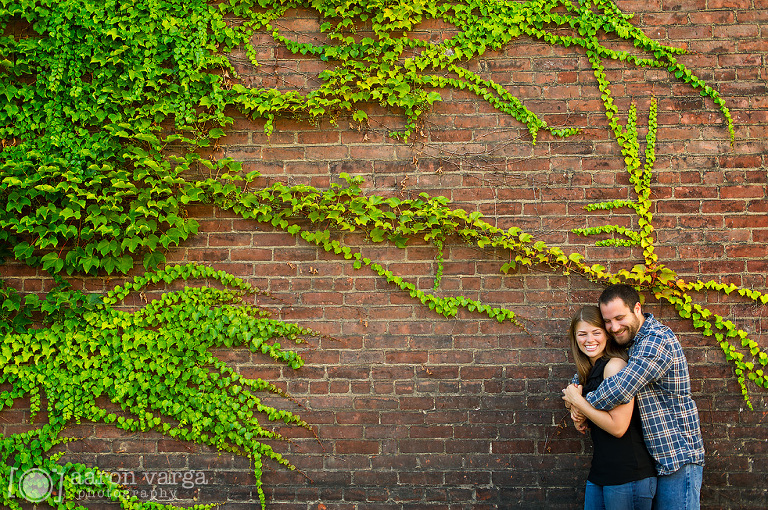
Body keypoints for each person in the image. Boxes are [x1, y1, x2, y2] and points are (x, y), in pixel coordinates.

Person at [565, 284, 704, 510]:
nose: (613, 327)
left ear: (637, 308)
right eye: (608, 321)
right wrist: (574, 394)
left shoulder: (656, 341)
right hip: (650, 458)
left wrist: (579, 403)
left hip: (675, 456)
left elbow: (620, 388)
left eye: (619, 318)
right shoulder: (630, 341)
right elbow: (590, 373)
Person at [563, 305, 657, 510]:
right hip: (601, 472)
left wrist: (578, 402)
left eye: (596, 332)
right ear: (574, 337)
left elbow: (618, 427)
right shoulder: (587, 372)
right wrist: (576, 409)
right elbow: (580, 403)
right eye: (582, 334)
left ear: (607, 335)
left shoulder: (614, 366)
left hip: (628, 474)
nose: (590, 340)